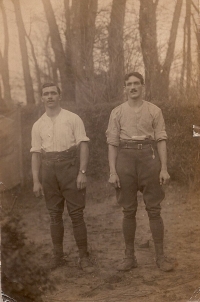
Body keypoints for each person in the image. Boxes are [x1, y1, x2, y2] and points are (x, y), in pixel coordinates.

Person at [106, 72, 175, 272]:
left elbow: (161, 139)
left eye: (137, 83)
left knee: (154, 209)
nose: (133, 87)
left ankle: (160, 257)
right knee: (128, 211)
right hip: (125, 159)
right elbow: (112, 144)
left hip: (148, 157)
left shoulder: (154, 111)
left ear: (143, 86)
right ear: (124, 88)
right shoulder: (116, 112)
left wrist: (163, 168)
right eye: (129, 84)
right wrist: (113, 171)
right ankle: (130, 258)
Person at [31, 83, 94, 273]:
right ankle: (58, 257)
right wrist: (36, 180)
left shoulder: (72, 118)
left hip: (69, 167)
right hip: (48, 170)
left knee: (76, 214)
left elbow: (83, 145)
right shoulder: (38, 125)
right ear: (41, 98)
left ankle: (84, 257)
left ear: (60, 95)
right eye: (45, 94)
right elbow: (35, 153)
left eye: (53, 93)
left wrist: (82, 172)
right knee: (54, 215)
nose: (49, 97)